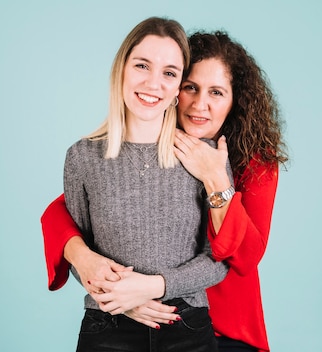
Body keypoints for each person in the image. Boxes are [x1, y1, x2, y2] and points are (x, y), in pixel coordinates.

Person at [42, 30, 288, 352]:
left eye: (216, 92)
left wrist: (216, 179)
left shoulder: (256, 163)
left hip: (222, 323)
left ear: (235, 102)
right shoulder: (142, 145)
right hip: (136, 313)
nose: (200, 104)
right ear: (176, 90)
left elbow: (245, 256)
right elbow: (65, 212)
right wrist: (85, 258)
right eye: (191, 87)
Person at [59, 17, 229, 352]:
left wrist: (154, 286)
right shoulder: (82, 157)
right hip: (108, 326)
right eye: (142, 65)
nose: (154, 83)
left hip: (186, 325)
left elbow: (221, 258)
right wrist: (119, 296)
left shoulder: (204, 156)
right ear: (121, 68)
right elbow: (80, 255)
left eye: (169, 73)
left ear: (179, 86)